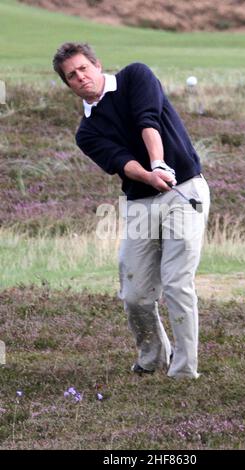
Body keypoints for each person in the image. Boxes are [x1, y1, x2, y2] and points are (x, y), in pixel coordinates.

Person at [53, 42, 210, 379]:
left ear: (97, 64)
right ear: (68, 85)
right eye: (72, 76)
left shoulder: (134, 76)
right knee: (135, 292)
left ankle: (183, 372)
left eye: (83, 68)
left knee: (176, 282)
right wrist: (149, 176)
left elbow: (147, 121)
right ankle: (153, 357)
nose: (80, 77)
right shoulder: (87, 131)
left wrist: (159, 164)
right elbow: (122, 163)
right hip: (140, 201)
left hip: (183, 189)